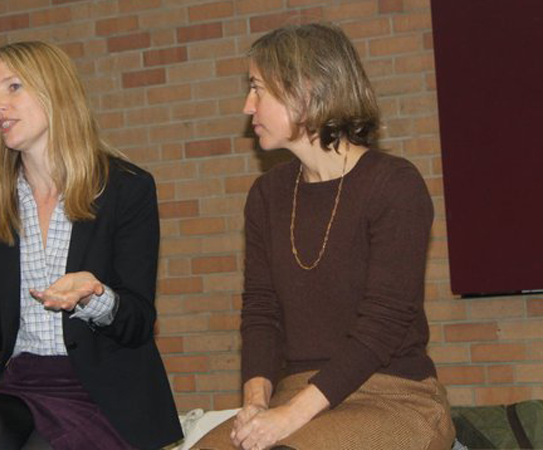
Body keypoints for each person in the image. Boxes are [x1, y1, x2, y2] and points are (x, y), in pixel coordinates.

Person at [0, 41, 183, 450]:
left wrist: (92, 293)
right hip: (23, 380)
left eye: (13, 88)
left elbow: (137, 320)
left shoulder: (126, 187)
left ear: (55, 90)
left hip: (101, 387)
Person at [193, 23, 455, 450]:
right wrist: (256, 407)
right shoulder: (267, 194)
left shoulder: (394, 185)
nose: (248, 106)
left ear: (308, 89)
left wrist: (286, 420)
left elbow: (383, 326)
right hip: (295, 394)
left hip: (393, 395)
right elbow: (260, 312)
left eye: (258, 89)